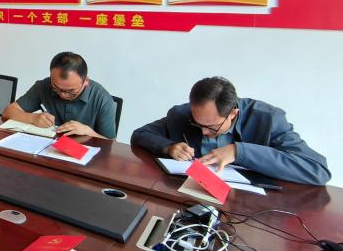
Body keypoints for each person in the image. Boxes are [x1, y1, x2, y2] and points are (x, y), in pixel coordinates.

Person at [131, 76, 331, 185]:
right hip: (193, 194)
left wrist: (239, 152)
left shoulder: (268, 119)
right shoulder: (182, 114)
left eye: (211, 127)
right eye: (197, 123)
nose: (203, 132)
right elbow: (140, 134)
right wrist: (168, 147)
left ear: (233, 114)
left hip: (249, 207)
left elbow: (317, 170)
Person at [3, 52, 117, 139]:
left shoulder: (102, 99)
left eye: (70, 91)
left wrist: (88, 132)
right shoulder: (44, 85)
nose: (63, 95)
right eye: (57, 88)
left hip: (83, 156)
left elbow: (112, 144)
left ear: (85, 81)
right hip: (48, 150)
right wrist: (33, 118)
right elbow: (8, 112)